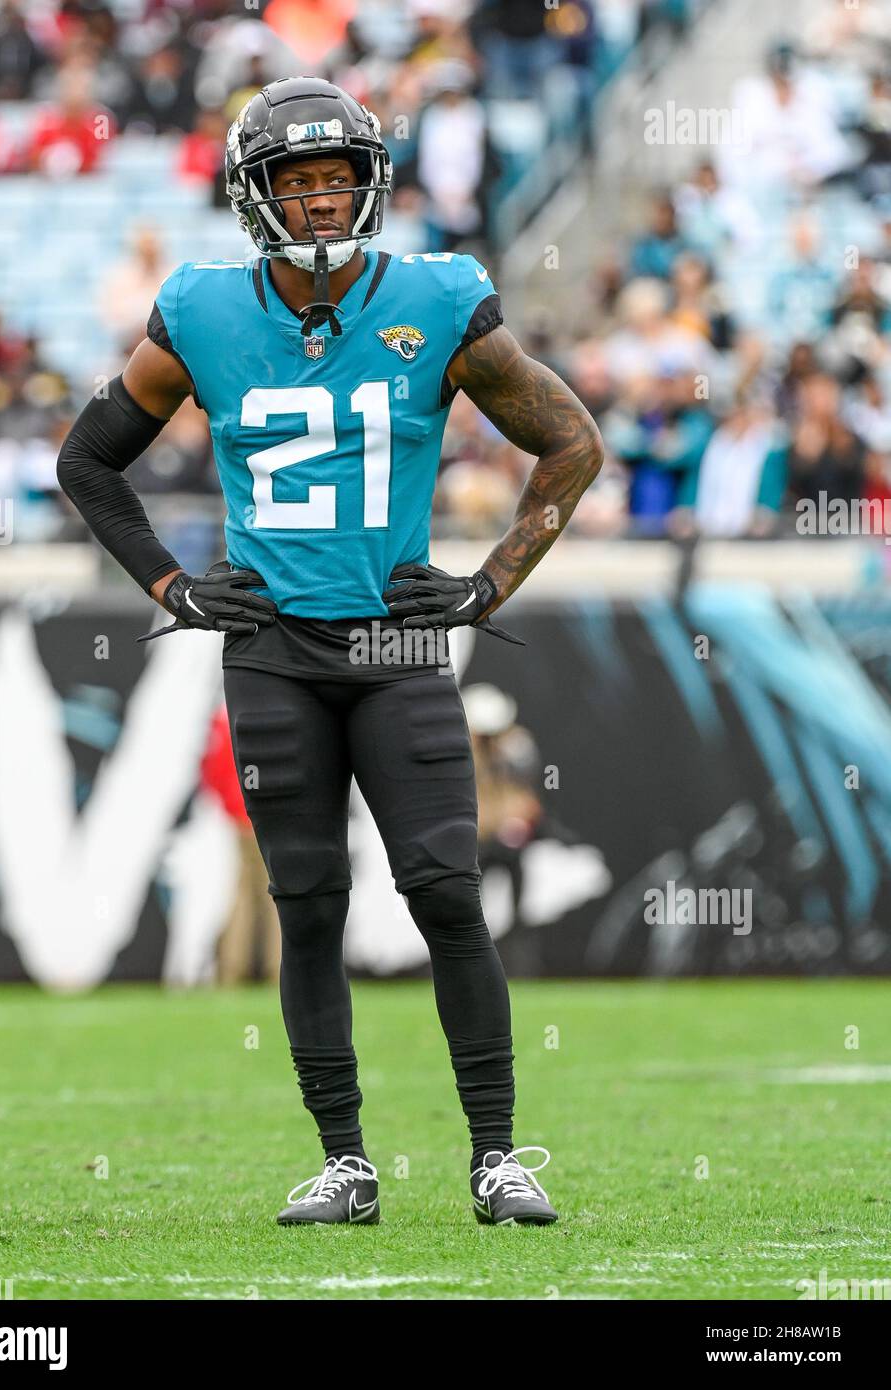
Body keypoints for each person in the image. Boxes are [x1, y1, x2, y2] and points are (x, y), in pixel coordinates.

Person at [57, 75, 603, 1228]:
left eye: (336, 178)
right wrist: (168, 581)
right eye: (296, 182)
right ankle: (346, 1163)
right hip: (272, 655)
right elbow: (87, 460)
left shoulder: (441, 299)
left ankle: (497, 1155)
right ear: (258, 198)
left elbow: (570, 443)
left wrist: (488, 582)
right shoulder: (204, 309)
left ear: (372, 183)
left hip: (398, 648)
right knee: (307, 904)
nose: (318, 200)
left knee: (448, 893)